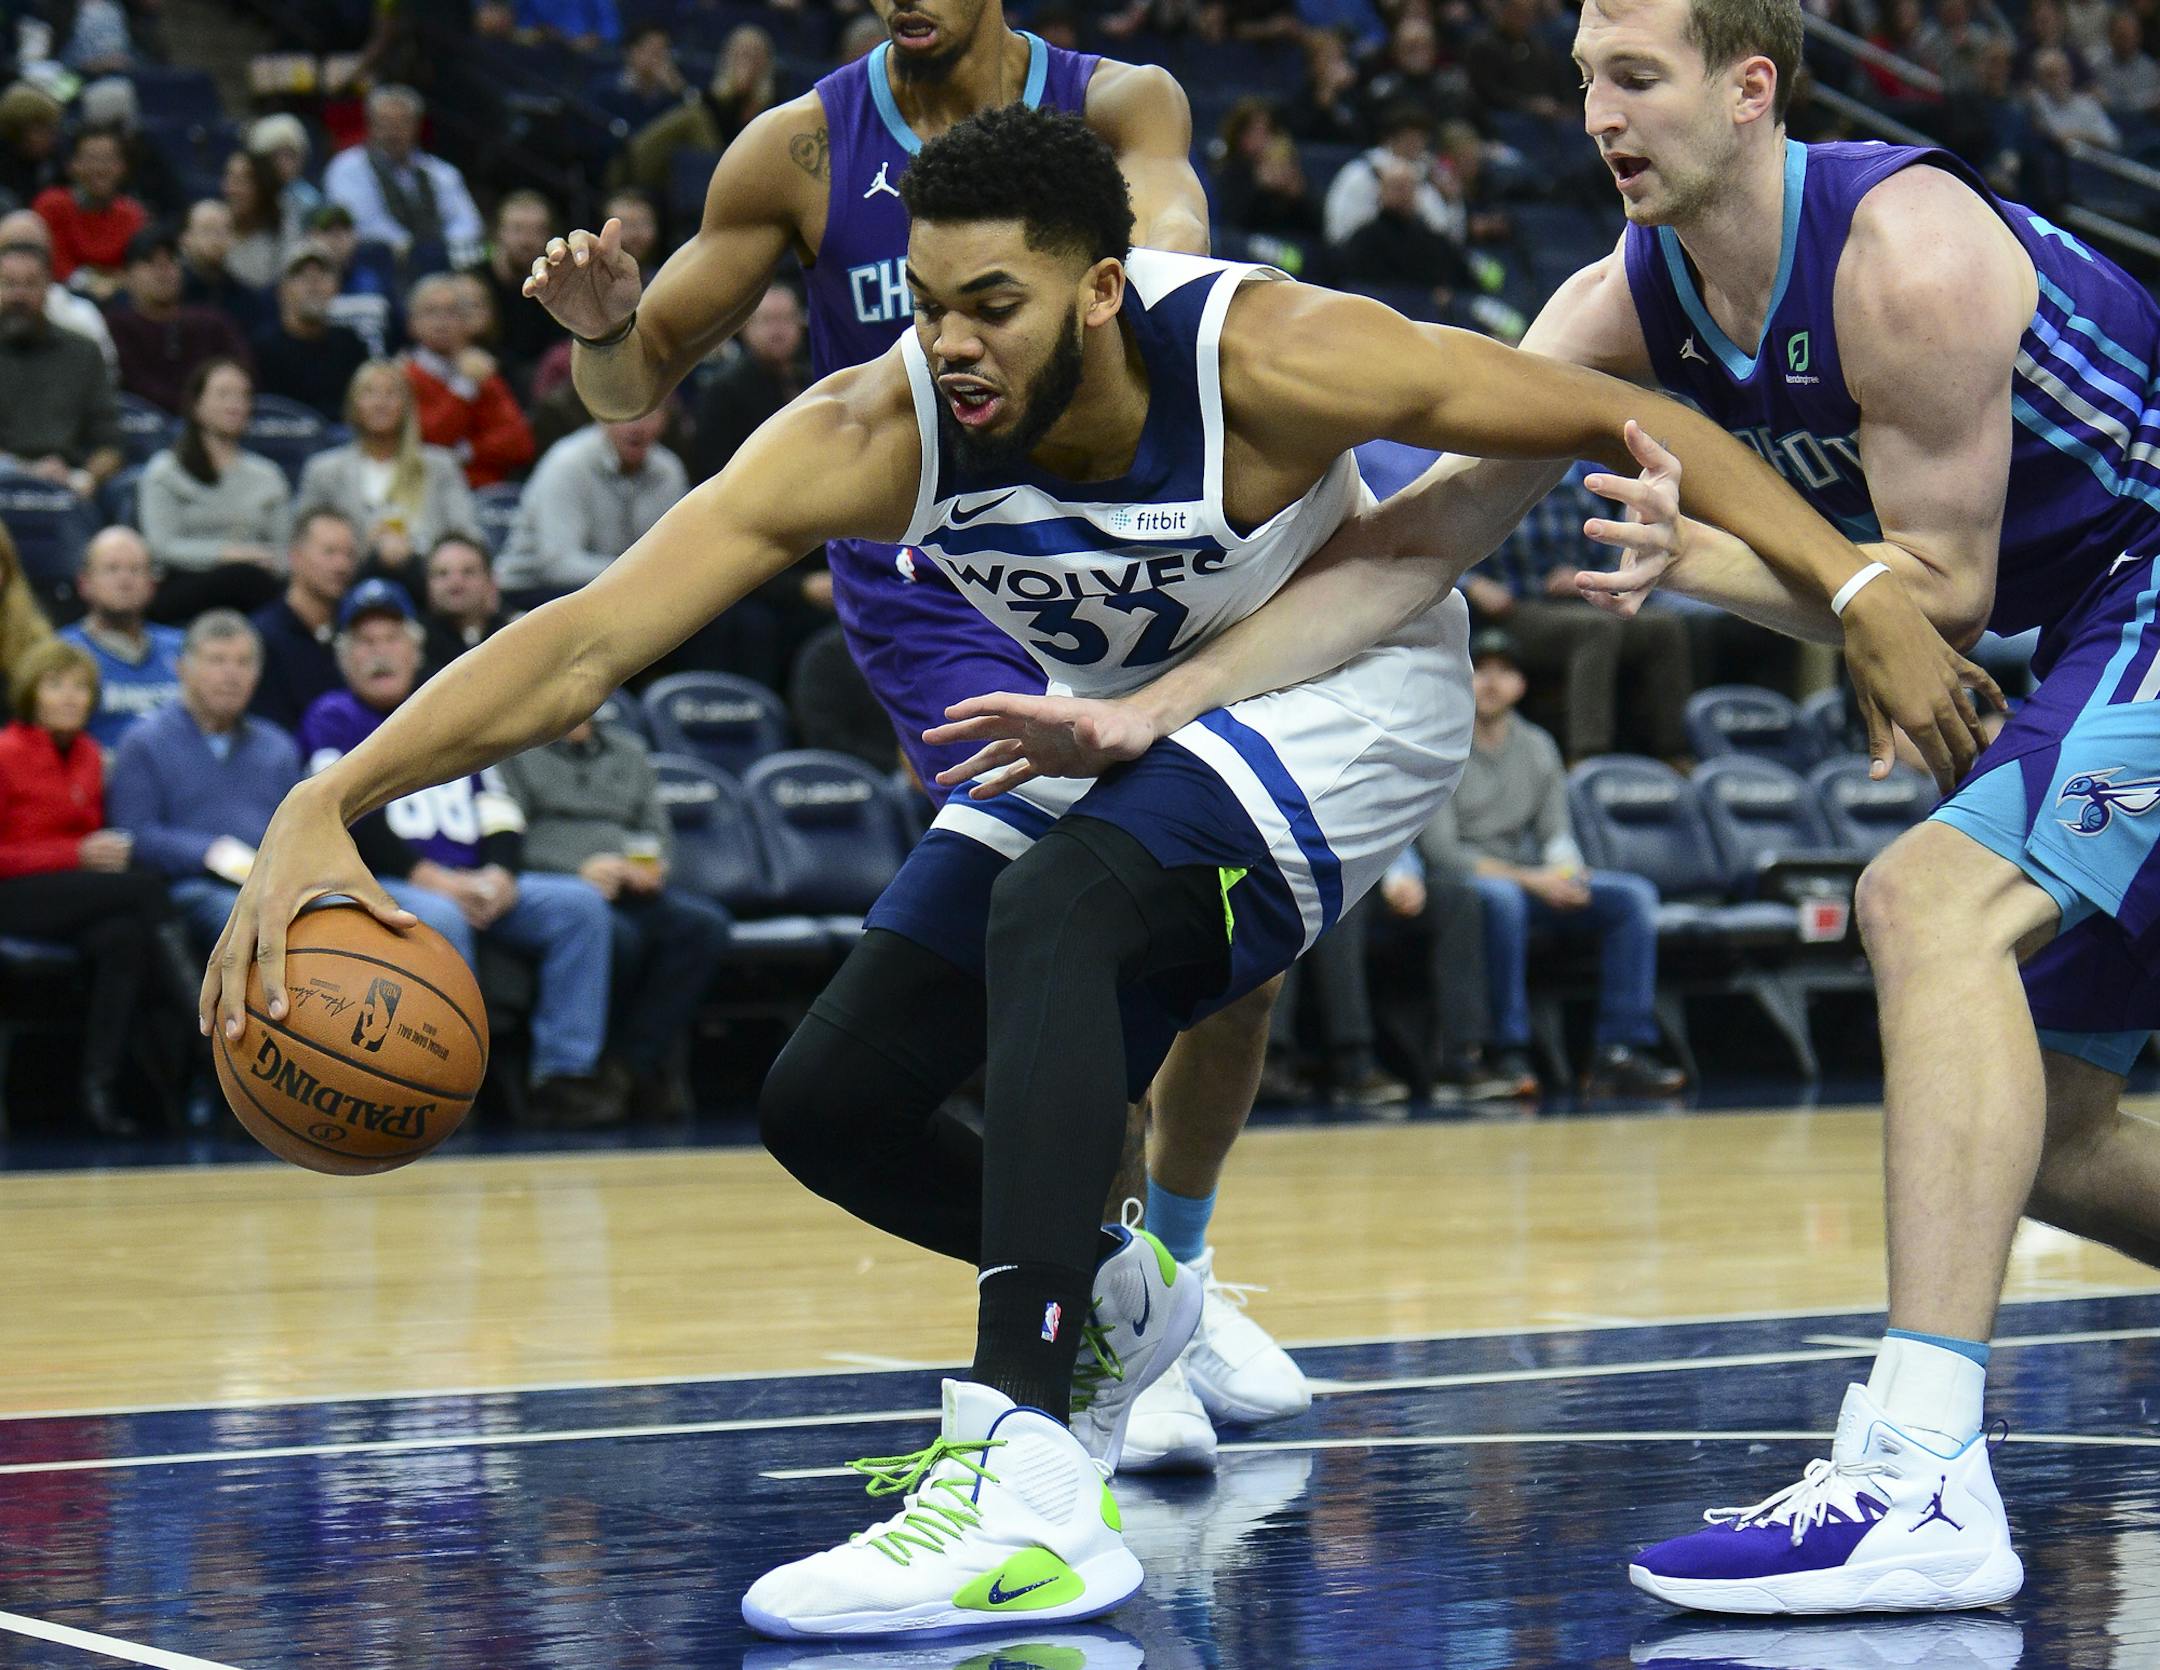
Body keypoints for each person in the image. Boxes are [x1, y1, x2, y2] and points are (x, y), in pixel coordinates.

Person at [205, 106, 1976, 1639]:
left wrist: (1855, 592)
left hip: (1346, 695)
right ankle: (1132, 1308)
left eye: (998, 303)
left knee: (1068, 910)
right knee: (831, 1096)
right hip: (1116, 713)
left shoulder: (1273, 355)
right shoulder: (872, 429)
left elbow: (1611, 415)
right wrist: (333, 798)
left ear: (1100, 290)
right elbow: (589, 639)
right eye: (930, 303)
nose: (955, 342)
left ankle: (1027, 1469)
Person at [983, 0, 2121, 1619]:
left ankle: (1921, 1468)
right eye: (1584, 77)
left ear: (1751, 89)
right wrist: (1150, 705)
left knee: (1924, 906)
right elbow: (1413, 544)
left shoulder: (1905, 254)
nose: (1598, 111)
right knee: (2059, 1141)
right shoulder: (1622, 297)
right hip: (2082, 632)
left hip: (2123, 595)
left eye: (1637, 76)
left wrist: (1719, 560)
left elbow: (1930, 605)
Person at [523, 0, 1295, 1470]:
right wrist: (606, 332)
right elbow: (636, 379)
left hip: (1121, 544)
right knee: (1079, 921)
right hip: (935, 591)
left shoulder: (1120, 102)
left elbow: (1180, 248)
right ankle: (1103, 1323)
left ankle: (1169, 1278)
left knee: (1231, 981)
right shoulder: (798, 147)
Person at [296, 578, 625, 1129]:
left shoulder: (446, 707)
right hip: (383, 883)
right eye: (366, 642)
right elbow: (344, 813)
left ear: (415, 646)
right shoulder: (333, 716)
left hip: (475, 878)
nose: (380, 652)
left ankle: (563, 1078)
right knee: (443, 918)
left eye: (392, 638)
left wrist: (502, 873)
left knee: (580, 908)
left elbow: (497, 804)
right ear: (346, 658)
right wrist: (433, 878)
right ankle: (444, 1085)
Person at [1421, 627, 1686, 1096]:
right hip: (1464, 884)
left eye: (1505, 672)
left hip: (1529, 878)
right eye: (1481, 670)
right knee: (1503, 900)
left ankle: (1618, 1051)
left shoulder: (1539, 746)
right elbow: (1443, 854)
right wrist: (1533, 880)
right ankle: (1509, 1051)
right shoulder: (1438, 744)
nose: (1491, 682)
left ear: (1521, 685)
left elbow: (1556, 835)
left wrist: (1568, 872)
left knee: (1631, 897)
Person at [495, 715, 733, 1117]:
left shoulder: (630, 750)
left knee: (704, 926)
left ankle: (630, 1067)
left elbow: (657, 832)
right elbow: (506, 837)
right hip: (554, 887)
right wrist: (578, 871)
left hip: (630, 887)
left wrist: (652, 867)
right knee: (617, 936)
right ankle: (577, 1076)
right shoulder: (512, 751)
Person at [0, 636, 174, 1135]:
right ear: (32, 691)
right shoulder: (6, 752)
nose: (70, 697)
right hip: (12, 895)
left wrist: (97, 855)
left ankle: (98, 1093)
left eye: (80, 687)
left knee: (124, 936)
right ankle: (211, 1050)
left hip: (70, 897)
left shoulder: (91, 755)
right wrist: (74, 854)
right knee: (144, 893)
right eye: (56, 685)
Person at [1468, 464, 1692, 764]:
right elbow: (1435, 554)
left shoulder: (1568, 491)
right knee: (1596, 628)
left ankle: (1675, 753)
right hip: (1514, 610)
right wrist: (1473, 583)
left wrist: (1582, 575)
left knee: (1664, 626)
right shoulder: (1486, 493)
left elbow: (1615, 553)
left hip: (1575, 601)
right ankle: (1588, 756)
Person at [107, 609, 301, 952]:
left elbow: (299, 831)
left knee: (343, 920)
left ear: (258, 674)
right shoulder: (144, 741)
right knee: (249, 921)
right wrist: (209, 853)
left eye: (243, 663)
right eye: (217, 660)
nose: (231, 675)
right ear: (183, 668)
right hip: (190, 888)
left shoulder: (278, 746)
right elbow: (134, 834)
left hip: (275, 886)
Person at [297, 359, 478, 581]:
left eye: (391, 394)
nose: (380, 403)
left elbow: (468, 536)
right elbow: (304, 544)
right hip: (350, 580)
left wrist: (414, 551)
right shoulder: (324, 471)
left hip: (429, 580)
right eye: (370, 393)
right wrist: (367, 545)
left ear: (407, 405)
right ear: (354, 405)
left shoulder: (441, 466)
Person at [139, 358, 291, 621]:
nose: (235, 404)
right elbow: (162, 547)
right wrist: (229, 554)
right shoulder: (165, 471)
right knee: (243, 576)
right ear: (196, 405)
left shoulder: (268, 475)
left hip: (254, 588)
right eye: (223, 394)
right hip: (182, 585)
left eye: (243, 396)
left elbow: (283, 553)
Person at [494, 412, 685, 593]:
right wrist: (641, 573)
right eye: (626, 417)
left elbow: (673, 555)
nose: (636, 427)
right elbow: (558, 566)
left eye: (649, 416)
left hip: (619, 588)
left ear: (665, 420)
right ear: (603, 417)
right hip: (532, 589)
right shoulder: (567, 463)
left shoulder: (668, 471)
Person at [0, 239, 122, 499]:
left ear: (48, 288)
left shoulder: (83, 352)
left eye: (30, 284)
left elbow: (111, 443)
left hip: (69, 483)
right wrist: (27, 471)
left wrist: (86, 477)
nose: (19, 295)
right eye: (9, 284)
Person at [321, 85, 485, 266]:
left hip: (440, 260)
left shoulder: (441, 172)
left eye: (402, 123)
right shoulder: (347, 168)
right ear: (371, 124)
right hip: (378, 264)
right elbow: (363, 224)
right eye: (386, 123)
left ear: (416, 126)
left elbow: (468, 221)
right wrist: (414, 248)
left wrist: (442, 248)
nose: (393, 132)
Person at [103, 226, 255, 416]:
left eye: (171, 261)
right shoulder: (116, 327)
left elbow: (241, 370)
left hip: (209, 424)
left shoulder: (212, 322)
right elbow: (133, 382)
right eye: (151, 262)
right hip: (141, 427)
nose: (164, 271)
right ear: (126, 275)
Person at [402, 273, 534, 488]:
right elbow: (431, 441)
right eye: (431, 311)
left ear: (466, 322)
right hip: (427, 491)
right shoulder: (404, 377)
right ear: (411, 323)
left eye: (451, 312)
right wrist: (463, 387)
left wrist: (468, 451)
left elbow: (519, 443)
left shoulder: (482, 371)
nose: (441, 321)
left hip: (489, 493)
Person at [58, 527, 183, 747]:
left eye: (136, 570)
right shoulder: (63, 652)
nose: (125, 580)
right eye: (111, 569)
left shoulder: (184, 648)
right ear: (84, 583)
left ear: (152, 585)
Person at [249, 510, 360, 732]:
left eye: (349, 555)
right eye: (329, 552)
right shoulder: (262, 637)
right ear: (295, 557)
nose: (341, 565)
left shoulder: (358, 631)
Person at [687, 283, 807, 483]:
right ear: (745, 326)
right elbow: (713, 470)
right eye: (768, 320)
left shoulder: (812, 379)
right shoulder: (723, 390)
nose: (778, 331)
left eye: (786, 319)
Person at [252, 242, 372, 420]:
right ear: (282, 290)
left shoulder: (351, 344)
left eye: (322, 275)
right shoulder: (260, 350)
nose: (313, 283)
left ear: (336, 288)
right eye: (301, 275)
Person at [0, 208, 117, 372]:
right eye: (12, 250)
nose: (22, 260)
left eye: (31, 250)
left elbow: (107, 377)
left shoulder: (82, 318)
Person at [32, 125, 144, 296]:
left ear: (123, 167)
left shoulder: (132, 214)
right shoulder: (52, 205)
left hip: (120, 302)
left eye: (109, 159)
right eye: (91, 159)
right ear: (72, 165)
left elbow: (137, 269)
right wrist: (98, 282)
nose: (100, 168)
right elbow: (51, 266)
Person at [477, 190, 563, 402]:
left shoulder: (559, 284)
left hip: (543, 388)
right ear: (498, 232)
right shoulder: (475, 282)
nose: (527, 240)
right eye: (518, 229)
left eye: (537, 230)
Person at [420, 532, 516, 671]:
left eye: (468, 572)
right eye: (442, 573)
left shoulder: (515, 634)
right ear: (427, 584)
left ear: (490, 581)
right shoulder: (414, 645)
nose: (455, 583)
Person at [178, 196, 267, 332]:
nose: (217, 238)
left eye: (224, 230)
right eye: (207, 229)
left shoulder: (245, 298)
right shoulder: (172, 292)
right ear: (186, 238)